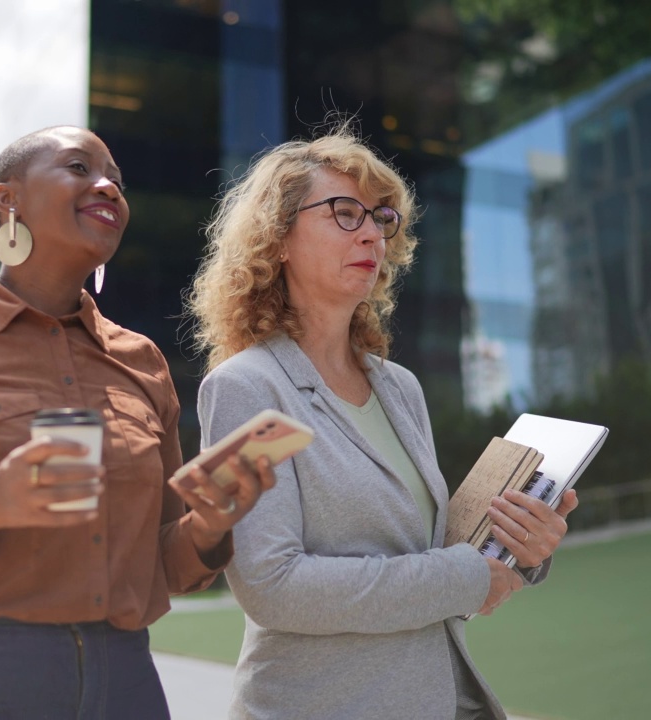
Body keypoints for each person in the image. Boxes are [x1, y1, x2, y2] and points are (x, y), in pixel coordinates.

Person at [0, 125, 275, 719]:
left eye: (117, 178)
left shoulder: (141, 361)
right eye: (79, 168)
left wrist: (211, 526)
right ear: (8, 200)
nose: (108, 186)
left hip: (125, 684)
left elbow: (164, 566)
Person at [186, 123, 580, 720]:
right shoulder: (243, 389)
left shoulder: (399, 388)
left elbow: (433, 550)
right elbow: (273, 586)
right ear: (278, 238)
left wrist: (517, 548)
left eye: (382, 218)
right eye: (345, 212)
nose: (372, 231)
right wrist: (465, 578)